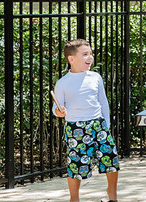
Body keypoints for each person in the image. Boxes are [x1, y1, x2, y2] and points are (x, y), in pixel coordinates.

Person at [52, 39, 120, 202]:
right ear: (71, 59)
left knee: (111, 159)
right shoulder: (63, 83)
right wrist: (60, 112)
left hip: (98, 124)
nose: (90, 57)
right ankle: (74, 199)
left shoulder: (95, 77)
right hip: (75, 127)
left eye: (90, 54)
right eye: (85, 54)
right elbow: (56, 109)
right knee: (76, 164)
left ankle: (112, 196)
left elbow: (103, 102)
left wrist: (107, 126)